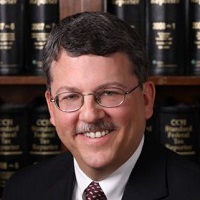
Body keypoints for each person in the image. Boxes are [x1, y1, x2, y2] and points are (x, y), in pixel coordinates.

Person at [3, 11, 200, 200]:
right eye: (71, 96)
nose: (90, 115)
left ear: (146, 99)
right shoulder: (22, 190)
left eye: (109, 93)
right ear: (51, 108)